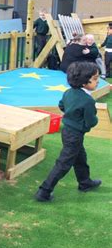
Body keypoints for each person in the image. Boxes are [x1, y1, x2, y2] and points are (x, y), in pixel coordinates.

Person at [35, 62, 101, 202]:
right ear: (84, 82)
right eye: (95, 78)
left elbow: (61, 105)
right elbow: (91, 121)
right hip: (75, 135)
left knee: (80, 157)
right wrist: (88, 123)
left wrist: (71, 116)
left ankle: (85, 182)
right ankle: (44, 191)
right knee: (64, 163)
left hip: (67, 131)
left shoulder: (68, 92)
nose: (98, 81)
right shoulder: (88, 100)